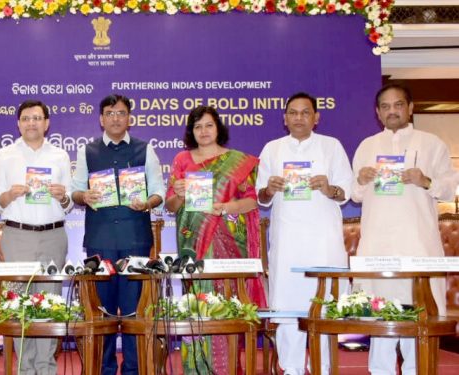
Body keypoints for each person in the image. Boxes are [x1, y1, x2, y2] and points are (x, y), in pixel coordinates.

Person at [352, 83, 458, 375]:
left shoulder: (431, 143)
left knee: (417, 317)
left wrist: (425, 180)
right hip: (377, 243)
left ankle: (417, 370)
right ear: (377, 112)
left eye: (398, 105)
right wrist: (361, 178)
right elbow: (355, 194)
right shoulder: (367, 146)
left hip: (417, 243)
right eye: (385, 107)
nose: (392, 111)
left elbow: (449, 188)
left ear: (410, 108)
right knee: (379, 316)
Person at [164, 105, 265, 374]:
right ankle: (196, 368)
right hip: (193, 244)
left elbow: (252, 202)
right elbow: (171, 206)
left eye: (208, 125)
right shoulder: (182, 160)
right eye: (197, 127)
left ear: (218, 127)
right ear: (191, 131)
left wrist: (224, 208)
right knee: (197, 304)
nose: (203, 131)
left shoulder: (237, 161)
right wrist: (180, 193)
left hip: (227, 243)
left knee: (224, 303)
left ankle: (228, 368)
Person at [256, 93, 352, 375]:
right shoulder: (272, 149)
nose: (299, 118)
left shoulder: (331, 147)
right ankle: (292, 367)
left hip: (324, 241)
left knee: (322, 305)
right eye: (293, 113)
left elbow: (345, 192)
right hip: (287, 240)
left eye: (305, 112)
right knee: (287, 305)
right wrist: (270, 189)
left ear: (316, 117)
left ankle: (322, 367)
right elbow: (261, 196)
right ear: (284, 118)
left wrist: (328, 187)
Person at [72, 94, 165, 375]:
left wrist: (148, 202)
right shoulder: (87, 151)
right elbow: (74, 190)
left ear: (129, 118)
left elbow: (159, 191)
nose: (115, 118)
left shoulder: (145, 150)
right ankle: (105, 368)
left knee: (136, 313)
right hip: (100, 244)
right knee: (103, 313)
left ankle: (135, 369)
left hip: (135, 242)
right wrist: (83, 195)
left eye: (121, 113)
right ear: (101, 118)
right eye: (110, 113)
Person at [0, 100, 73, 375]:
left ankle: (46, 367)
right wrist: (9, 195)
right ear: (18, 123)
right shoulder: (5, 155)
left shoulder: (60, 156)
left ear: (46, 123)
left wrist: (63, 196)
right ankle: (25, 369)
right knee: (20, 306)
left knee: (49, 304)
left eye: (37, 118)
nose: (31, 123)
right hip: (17, 235)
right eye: (26, 118)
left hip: (53, 235)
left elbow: (69, 203)